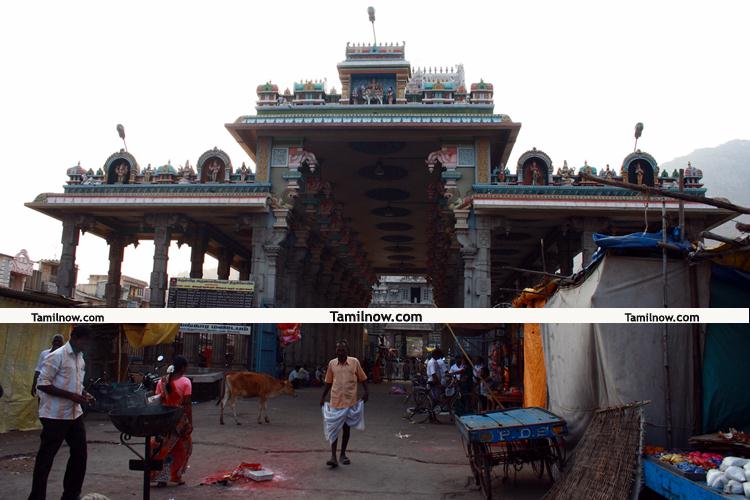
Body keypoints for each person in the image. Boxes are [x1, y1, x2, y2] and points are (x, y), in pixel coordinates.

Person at [29, 325, 94, 500]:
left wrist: (83, 394)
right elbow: (42, 383)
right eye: (85, 341)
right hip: (54, 416)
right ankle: (36, 497)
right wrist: (72, 396)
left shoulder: (80, 358)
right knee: (46, 459)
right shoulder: (56, 356)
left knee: (80, 454)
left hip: (74, 414)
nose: (87, 345)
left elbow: (75, 383)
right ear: (76, 338)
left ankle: (71, 495)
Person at [319, 340, 368, 468]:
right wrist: (322, 396)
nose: (340, 352)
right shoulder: (332, 364)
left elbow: (362, 378)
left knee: (346, 429)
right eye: (338, 350)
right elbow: (328, 382)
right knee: (334, 429)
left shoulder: (354, 362)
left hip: (349, 401)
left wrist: (367, 392)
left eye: (343, 350)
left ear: (347, 351)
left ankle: (343, 454)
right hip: (335, 400)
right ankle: (333, 456)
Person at [151, 355, 192, 487]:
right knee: (184, 449)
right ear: (183, 368)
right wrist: (190, 422)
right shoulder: (186, 382)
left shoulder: (162, 381)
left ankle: (161, 477)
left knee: (163, 449)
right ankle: (176, 476)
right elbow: (187, 405)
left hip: (164, 419)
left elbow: (157, 400)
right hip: (179, 421)